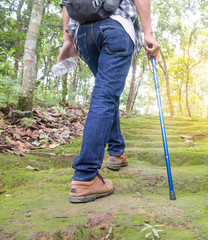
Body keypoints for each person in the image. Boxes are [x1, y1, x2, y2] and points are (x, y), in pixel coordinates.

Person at [57, 0, 161, 203]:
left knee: (106, 94)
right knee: (105, 96)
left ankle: (116, 152)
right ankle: (86, 177)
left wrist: (67, 40)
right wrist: (148, 33)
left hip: (83, 34)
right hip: (116, 28)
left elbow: (66, 3)